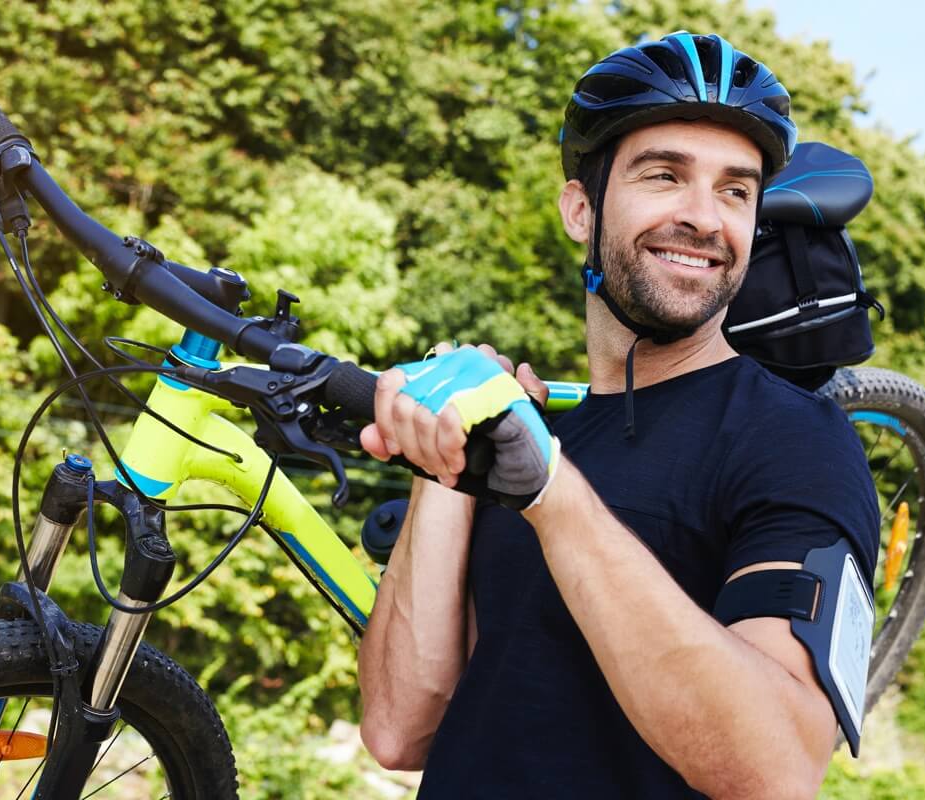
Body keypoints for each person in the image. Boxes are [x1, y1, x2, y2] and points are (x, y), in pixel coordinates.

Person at [356, 32, 879, 799]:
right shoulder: (542, 435)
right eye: (665, 175)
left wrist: (551, 496)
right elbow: (402, 728)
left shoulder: (796, 440)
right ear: (581, 208)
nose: (704, 218)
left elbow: (778, 768)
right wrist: (450, 466)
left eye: (735, 190)